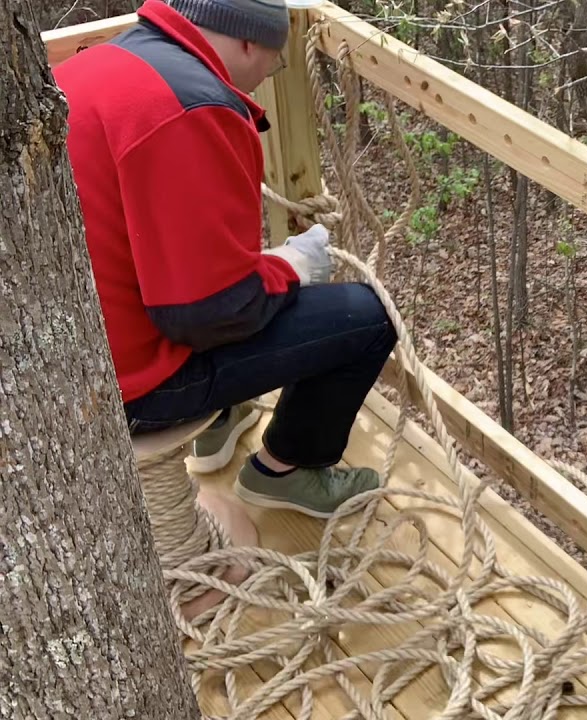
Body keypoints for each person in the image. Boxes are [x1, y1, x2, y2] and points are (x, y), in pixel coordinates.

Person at [53, 0, 396, 519]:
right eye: (275, 63)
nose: (265, 77)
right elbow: (211, 313)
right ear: (247, 42)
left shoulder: (96, 64)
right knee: (367, 317)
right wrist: (293, 266)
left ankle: (216, 429)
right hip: (133, 388)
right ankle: (286, 472)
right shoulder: (194, 109)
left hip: (74, 362)